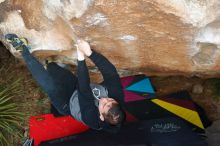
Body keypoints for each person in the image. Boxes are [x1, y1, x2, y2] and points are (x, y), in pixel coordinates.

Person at [5, 34, 125, 133]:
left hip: (67, 103)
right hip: (77, 88)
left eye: (104, 105)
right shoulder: (117, 98)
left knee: (49, 84)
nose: (105, 99)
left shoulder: (91, 118)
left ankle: (23, 49)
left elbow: (84, 90)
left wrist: (81, 58)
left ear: (101, 116)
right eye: (110, 101)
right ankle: (50, 65)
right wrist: (90, 53)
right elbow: (111, 73)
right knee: (53, 68)